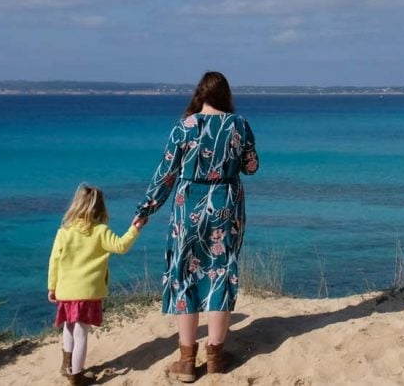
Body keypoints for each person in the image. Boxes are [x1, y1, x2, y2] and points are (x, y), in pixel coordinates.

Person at [136, 71, 260, 382]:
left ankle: (188, 361)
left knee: (184, 274)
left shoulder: (185, 126)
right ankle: (216, 357)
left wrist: (146, 208)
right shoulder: (239, 124)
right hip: (226, 204)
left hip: (187, 203)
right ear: (226, 95)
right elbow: (251, 167)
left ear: (200, 94)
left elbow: (166, 172)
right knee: (220, 272)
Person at [48, 183, 146, 385]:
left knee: (68, 327)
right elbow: (121, 246)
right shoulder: (101, 231)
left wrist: (52, 286)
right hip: (88, 292)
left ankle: (67, 365)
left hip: (65, 291)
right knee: (81, 333)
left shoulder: (63, 232)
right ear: (100, 208)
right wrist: (135, 228)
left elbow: (54, 261)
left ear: (76, 205)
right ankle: (76, 375)